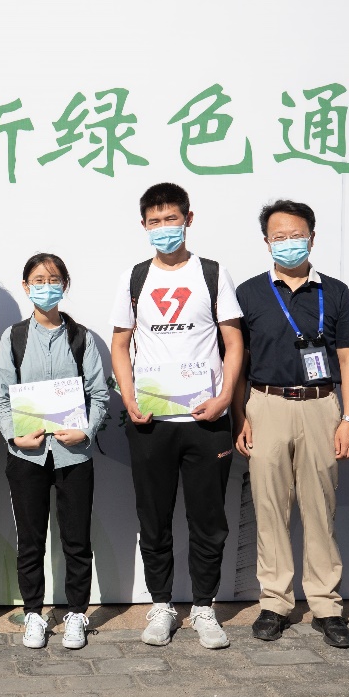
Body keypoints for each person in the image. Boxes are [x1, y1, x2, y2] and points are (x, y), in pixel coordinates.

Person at [109, 182, 245, 649]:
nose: (164, 228)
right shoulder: (135, 278)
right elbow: (120, 344)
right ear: (143, 225)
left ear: (189, 219)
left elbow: (233, 342)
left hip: (207, 421)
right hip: (152, 423)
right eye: (155, 221)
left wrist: (224, 398)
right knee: (154, 518)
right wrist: (128, 397)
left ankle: (204, 607)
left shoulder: (212, 273)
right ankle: (162, 605)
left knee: (209, 521)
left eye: (172, 219)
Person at [232, 200, 349, 649]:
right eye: (279, 236)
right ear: (266, 242)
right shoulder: (249, 293)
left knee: (320, 508)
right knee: (270, 508)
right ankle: (275, 602)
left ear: (312, 237)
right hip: (265, 405)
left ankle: (326, 605)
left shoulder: (336, 292)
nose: (289, 243)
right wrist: (240, 418)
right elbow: (238, 361)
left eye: (297, 235)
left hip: (321, 406)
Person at [0, 253, 110, 650]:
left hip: (73, 456)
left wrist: (86, 431)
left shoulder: (81, 338)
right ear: (25, 287)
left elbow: (99, 394)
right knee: (30, 541)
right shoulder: (14, 338)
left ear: (65, 285)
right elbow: (2, 396)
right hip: (27, 456)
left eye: (54, 279)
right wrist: (14, 437)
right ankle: (33, 614)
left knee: (77, 540)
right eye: (38, 280)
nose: (46, 286)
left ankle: (76, 613)